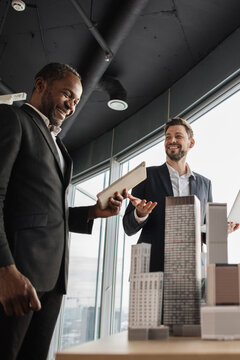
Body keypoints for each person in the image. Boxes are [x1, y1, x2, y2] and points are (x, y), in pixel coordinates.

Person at [0, 63, 127, 360]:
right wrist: (5, 269)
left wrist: (94, 212)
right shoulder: (13, 120)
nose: (71, 105)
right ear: (40, 84)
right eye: (67, 94)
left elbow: (45, 213)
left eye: (76, 101)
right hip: (17, 274)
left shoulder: (59, 146)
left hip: (53, 281)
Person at [123, 117, 239, 272]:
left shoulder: (205, 184)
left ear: (191, 143)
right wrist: (140, 214)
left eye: (178, 136)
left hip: (191, 271)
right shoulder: (144, 175)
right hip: (152, 270)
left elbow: (205, 234)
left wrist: (220, 232)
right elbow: (128, 227)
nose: (172, 140)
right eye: (168, 137)